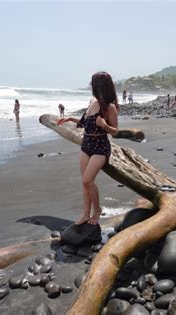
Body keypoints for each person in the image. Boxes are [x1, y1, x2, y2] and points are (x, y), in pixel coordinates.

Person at [57, 72, 119, 225]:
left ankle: (97, 210)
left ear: (98, 85)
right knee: (84, 182)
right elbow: (86, 123)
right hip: (86, 145)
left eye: (92, 83)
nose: (91, 85)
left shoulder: (109, 107)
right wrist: (71, 118)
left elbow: (116, 132)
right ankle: (86, 214)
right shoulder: (92, 101)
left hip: (100, 147)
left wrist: (104, 125)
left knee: (87, 180)